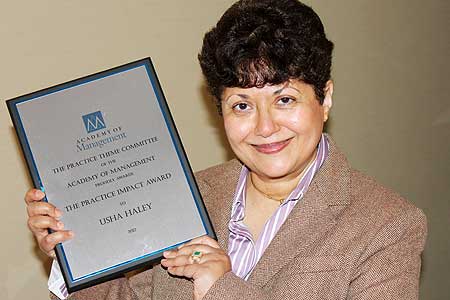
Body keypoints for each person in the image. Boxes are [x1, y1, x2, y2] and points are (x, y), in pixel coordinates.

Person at [24, 0, 427, 299]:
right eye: (241, 105)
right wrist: (76, 251)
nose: (265, 127)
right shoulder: (185, 196)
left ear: (325, 99)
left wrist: (221, 287)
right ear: (219, 112)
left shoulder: (388, 227)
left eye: (284, 99)